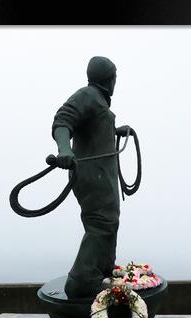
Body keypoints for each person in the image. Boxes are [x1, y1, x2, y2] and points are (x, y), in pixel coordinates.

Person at [51, 56, 132, 298]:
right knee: (101, 223)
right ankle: (82, 281)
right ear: (110, 79)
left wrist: (112, 130)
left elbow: (92, 128)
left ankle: (100, 273)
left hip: (103, 175)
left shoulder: (99, 102)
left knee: (109, 222)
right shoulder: (88, 95)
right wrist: (64, 150)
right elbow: (62, 120)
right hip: (92, 174)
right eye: (115, 77)